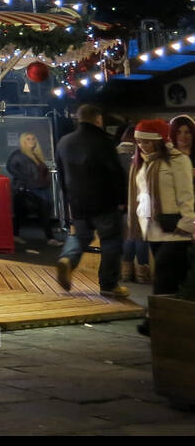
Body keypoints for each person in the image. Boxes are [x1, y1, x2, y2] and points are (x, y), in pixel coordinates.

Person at [54, 104, 129, 299]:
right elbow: (116, 173)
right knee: (111, 241)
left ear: (79, 119)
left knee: (81, 236)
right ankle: (108, 285)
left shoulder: (64, 142)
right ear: (98, 119)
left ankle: (68, 259)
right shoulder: (104, 142)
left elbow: (61, 176)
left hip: (77, 201)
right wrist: (122, 200)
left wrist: (68, 200)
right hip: (104, 201)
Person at [129, 119, 195, 336]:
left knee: (165, 272)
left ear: (159, 140)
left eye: (146, 142)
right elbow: (140, 197)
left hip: (177, 231)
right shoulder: (142, 162)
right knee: (170, 279)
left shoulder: (178, 160)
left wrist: (186, 224)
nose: (142, 146)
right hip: (153, 230)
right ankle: (172, 323)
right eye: (139, 142)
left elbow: (186, 195)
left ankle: (152, 320)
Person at [6, 132, 61, 243]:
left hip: (41, 188)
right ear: (23, 141)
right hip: (28, 189)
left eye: (33, 139)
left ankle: (49, 238)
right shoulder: (19, 154)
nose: (31, 141)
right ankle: (50, 238)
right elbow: (10, 167)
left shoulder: (36, 155)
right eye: (28, 139)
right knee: (26, 212)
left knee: (38, 212)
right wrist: (24, 180)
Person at [116, 124, 149, 284]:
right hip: (139, 200)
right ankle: (142, 272)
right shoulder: (140, 156)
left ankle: (126, 272)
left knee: (128, 236)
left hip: (122, 202)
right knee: (140, 236)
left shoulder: (115, 154)